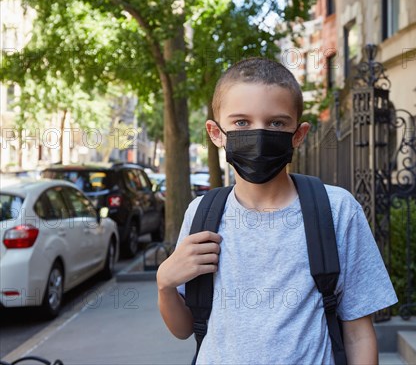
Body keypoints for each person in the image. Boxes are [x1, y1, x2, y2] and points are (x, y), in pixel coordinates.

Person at [157, 57, 398, 364]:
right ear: (217, 133)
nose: (259, 135)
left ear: (298, 134)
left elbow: (359, 333)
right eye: (241, 122)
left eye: (276, 123)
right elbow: (183, 329)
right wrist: (165, 285)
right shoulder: (202, 214)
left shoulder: (337, 211)